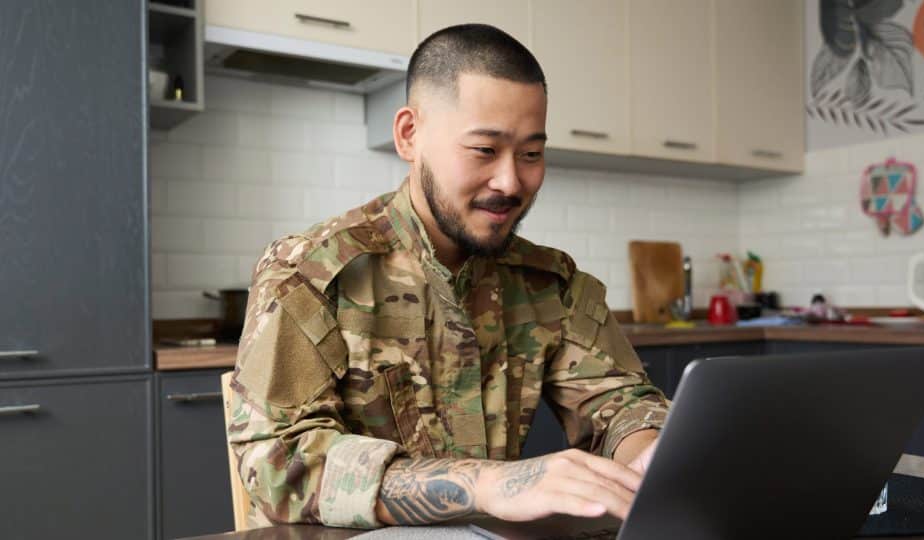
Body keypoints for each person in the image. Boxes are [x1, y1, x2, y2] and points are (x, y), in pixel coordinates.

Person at [227, 23, 669, 530]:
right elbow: (279, 463)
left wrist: (649, 450)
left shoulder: (551, 283)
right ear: (409, 135)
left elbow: (621, 402)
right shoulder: (311, 271)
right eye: (484, 150)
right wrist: (486, 483)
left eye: (531, 154)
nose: (511, 181)